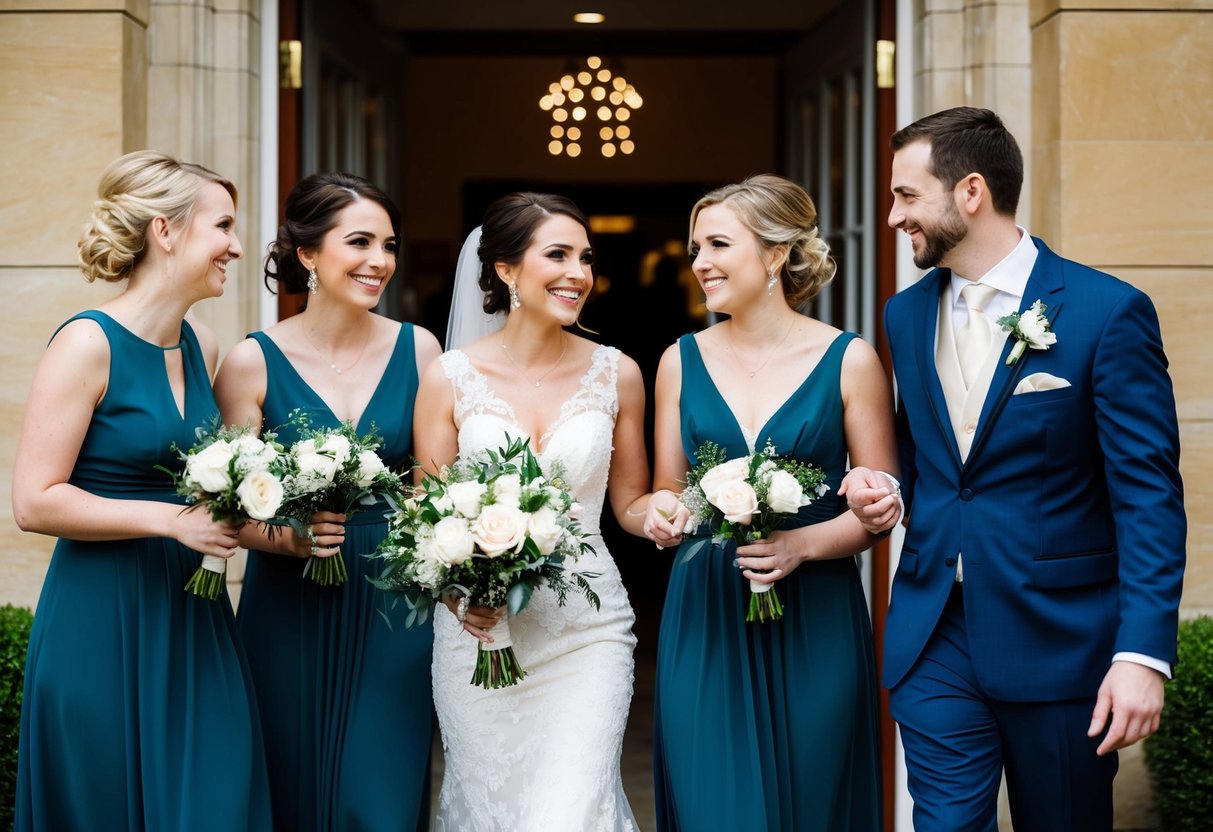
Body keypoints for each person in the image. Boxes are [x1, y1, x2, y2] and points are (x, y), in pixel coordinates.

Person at [843, 106, 1186, 831]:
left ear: (969, 192)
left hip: (1060, 642)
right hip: (935, 633)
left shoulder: (1106, 312)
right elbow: (929, 452)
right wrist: (881, 485)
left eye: (906, 195)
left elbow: (1147, 495)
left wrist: (1142, 655)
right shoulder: (904, 315)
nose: (892, 215)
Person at [11, 151, 270, 829]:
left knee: (214, 801)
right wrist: (169, 522)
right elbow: (35, 500)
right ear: (166, 231)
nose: (236, 246)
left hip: (194, 617)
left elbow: (216, 489)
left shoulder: (203, 346)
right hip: (102, 619)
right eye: (223, 227)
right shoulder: (86, 343)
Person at [642, 174, 895, 831]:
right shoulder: (678, 359)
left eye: (717, 245)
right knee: (713, 808)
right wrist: (666, 516)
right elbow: (669, 490)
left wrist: (801, 544)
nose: (699, 263)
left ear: (776, 253)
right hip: (705, 613)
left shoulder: (848, 360)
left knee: (813, 805)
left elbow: (878, 503)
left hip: (817, 615)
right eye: (694, 248)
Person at [415, 192, 653, 831]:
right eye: (558, 255)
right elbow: (424, 521)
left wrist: (669, 513)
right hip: (478, 634)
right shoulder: (449, 376)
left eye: (586, 257)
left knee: (571, 813)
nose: (578, 272)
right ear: (505, 270)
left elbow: (630, 504)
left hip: (588, 632)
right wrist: (463, 597)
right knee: (490, 810)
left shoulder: (617, 373)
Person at [213, 173, 441, 831]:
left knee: (382, 794)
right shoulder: (251, 361)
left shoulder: (419, 349)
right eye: (360, 242)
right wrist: (287, 535)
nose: (380, 262)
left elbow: (432, 492)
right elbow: (225, 506)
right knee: (288, 786)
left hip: (392, 604)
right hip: (286, 604)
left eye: (389, 245)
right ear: (308, 253)